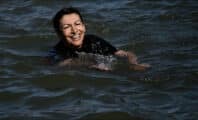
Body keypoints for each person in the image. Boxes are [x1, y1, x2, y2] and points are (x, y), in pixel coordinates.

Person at [47, 7, 150, 71]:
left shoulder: (93, 41)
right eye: (67, 27)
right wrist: (91, 64)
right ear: (58, 33)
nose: (74, 30)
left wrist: (133, 63)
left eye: (77, 24)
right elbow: (59, 66)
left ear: (84, 26)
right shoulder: (57, 51)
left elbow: (124, 53)